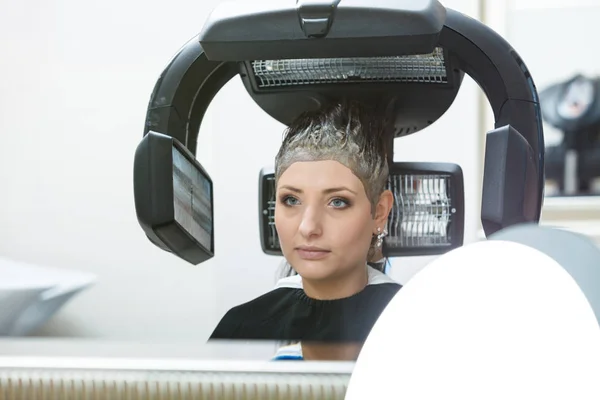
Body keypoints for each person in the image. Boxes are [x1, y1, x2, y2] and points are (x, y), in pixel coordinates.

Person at [210, 99, 402, 356]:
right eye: (291, 200)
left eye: (337, 202)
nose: (308, 227)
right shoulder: (241, 329)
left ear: (379, 212)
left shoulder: (415, 324)